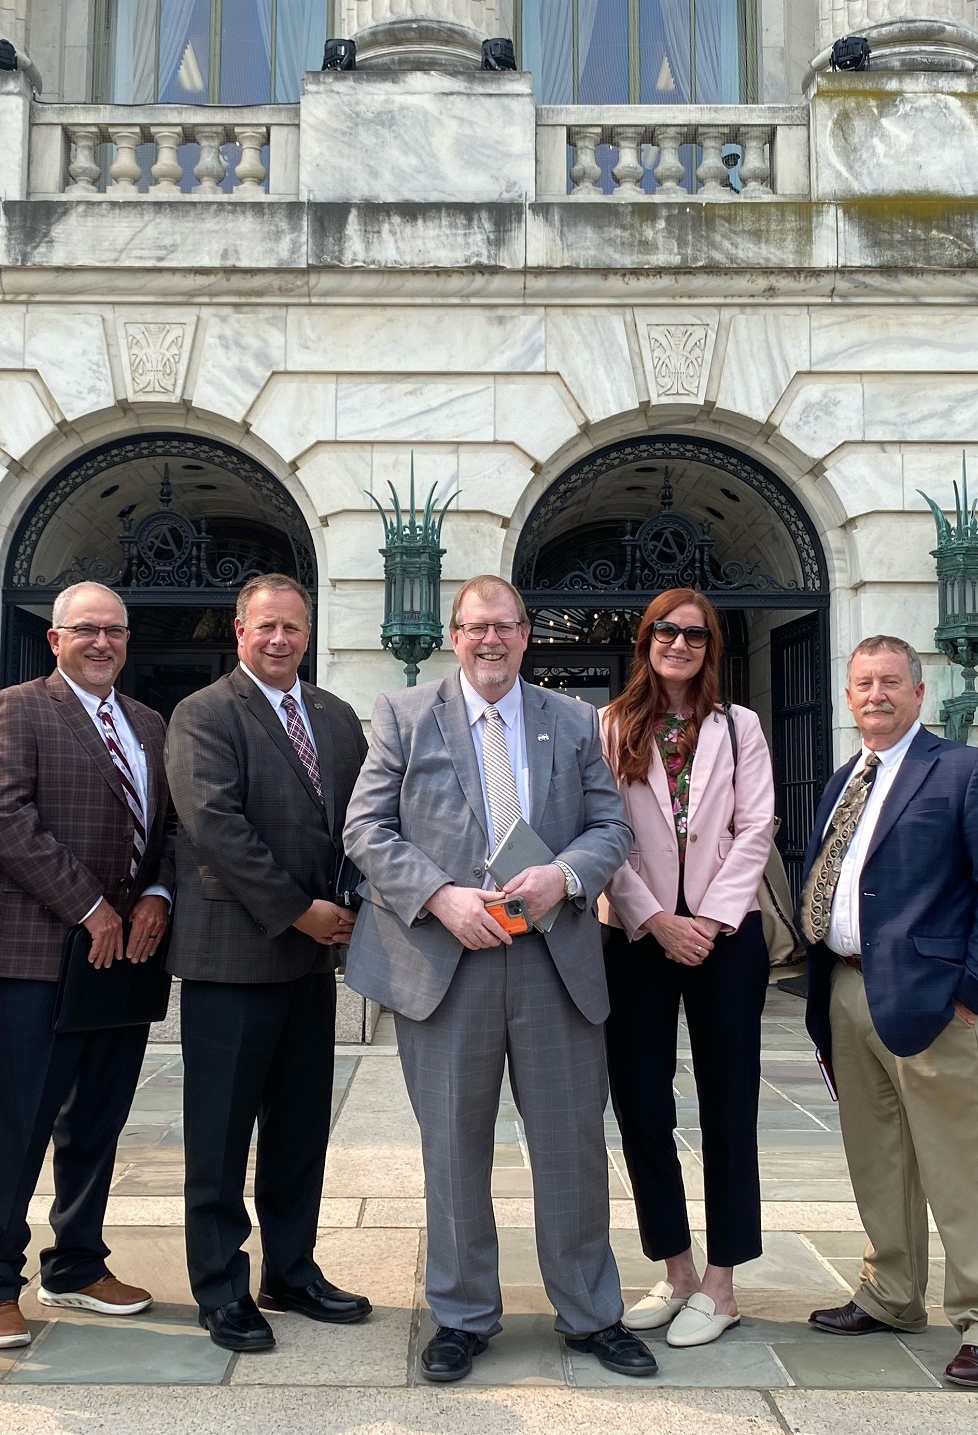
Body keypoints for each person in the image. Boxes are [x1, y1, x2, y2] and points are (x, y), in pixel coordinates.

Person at [344, 574, 651, 1383]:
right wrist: (438, 895)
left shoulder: (574, 718)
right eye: (477, 626)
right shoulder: (404, 715)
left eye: (506, 626)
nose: (491, 639)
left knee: (572, 1149)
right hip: (450, 966)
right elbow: (364, 829)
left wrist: (566, 876)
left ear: (526, 635)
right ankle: (461, 1314)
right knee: (452, 1149)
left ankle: (590, 1312)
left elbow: (610, 824)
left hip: (554, 961)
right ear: (455, 634)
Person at [801, 635, 978, 1390]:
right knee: (879, 1159)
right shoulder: (844, 779)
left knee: (962, 1163)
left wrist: (975, 989)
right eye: (864, 682)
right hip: (846, 988)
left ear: (918, 691)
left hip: (935, 1001)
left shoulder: (966, 770)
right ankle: (891, 1291)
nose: (877, 694)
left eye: (891, 682)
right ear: (848, 695)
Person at [0, 581, 174, 1349]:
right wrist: (91, 907)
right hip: (39, 953)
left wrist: (155, 893)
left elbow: (169, 827)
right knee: (16, 1122)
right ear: (54, 638)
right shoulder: (15, 708)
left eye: (114, 629)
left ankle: (77, 1262)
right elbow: (6, 820)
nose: (101, 641)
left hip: (127, 955)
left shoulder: (148, 721)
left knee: (98, 1119)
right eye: (85, 628)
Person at [165, 572, 373, 1353]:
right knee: (218, 1136)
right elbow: (215, 825)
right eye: (266, 626)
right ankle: (221, 1287)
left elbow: (357, 819)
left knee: (297, 1128)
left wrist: (354, 904)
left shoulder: (335, 716)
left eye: (292, 627)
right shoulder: (205, 712)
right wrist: (299, 909)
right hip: (235, 953)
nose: (280, 639)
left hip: (313, 962)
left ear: (308, 633)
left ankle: (293, 1267)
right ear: (240, 629)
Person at [599, 589, 775, 1349]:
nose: (679, 643)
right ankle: (675, 1270)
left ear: (712, 646)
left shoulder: (739, 727)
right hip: (639, 936)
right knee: (642, 1107)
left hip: (725, 935)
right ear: (645, 641)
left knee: (728, 1104)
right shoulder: (609, 724)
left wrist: (706, 920)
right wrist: (656, 919)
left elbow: (756, 824)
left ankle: (722, 1283)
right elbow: (600, 830)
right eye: (666, 631)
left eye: (694, 634)